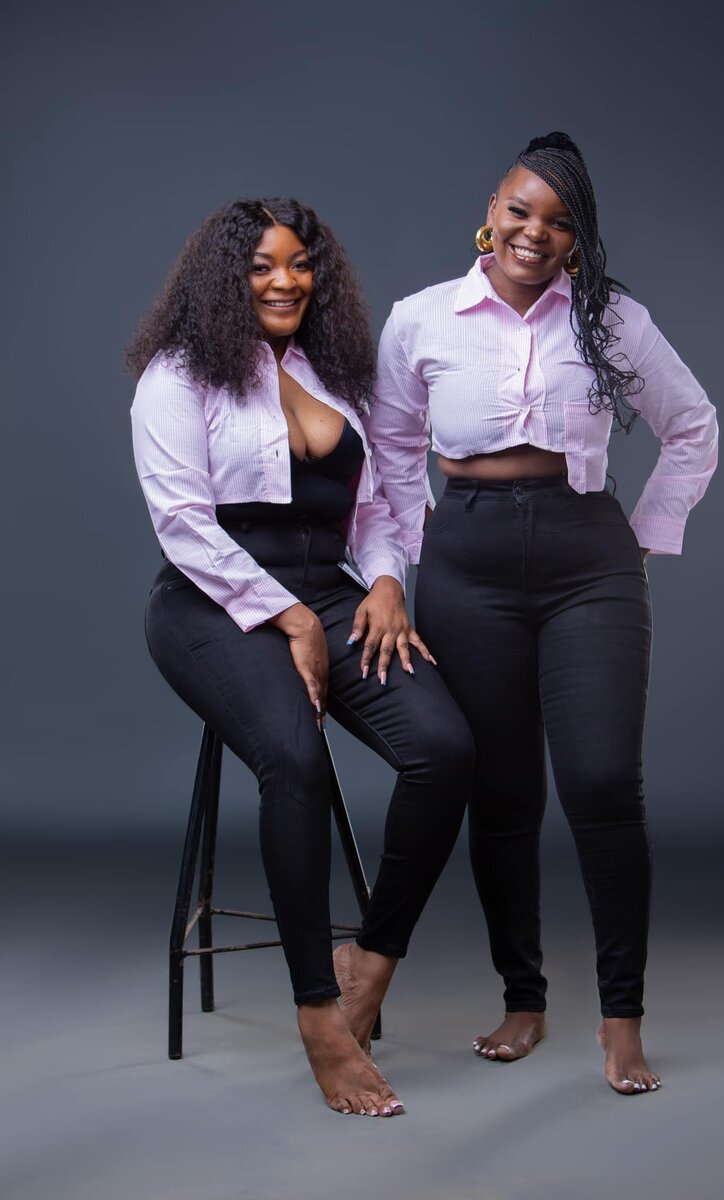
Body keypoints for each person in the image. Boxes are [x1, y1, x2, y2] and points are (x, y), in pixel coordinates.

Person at [359, 133, 718, 1095]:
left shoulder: (612, 319)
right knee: (504, 793)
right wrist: (403, 562)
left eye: (559, 222)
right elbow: (388, 455)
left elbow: (693, 425)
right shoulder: (423, 320)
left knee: (602, 781)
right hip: (465, 564)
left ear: (577, 237)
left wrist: (643, 536)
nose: (535, 232)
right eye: (521, 210)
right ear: (494, 208)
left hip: (586, 561)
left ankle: (622, 1018)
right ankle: (524, 999)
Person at [128, 198, 474, 1117]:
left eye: (300, 263)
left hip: (332, 590)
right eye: (261, 266)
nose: (285, 282)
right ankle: (319, 1015)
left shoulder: (338, 373)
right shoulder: (177, 375)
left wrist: (387, 582)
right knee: (295, 759)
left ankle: (374, 959)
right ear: (224, 278)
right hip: (212, 603)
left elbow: (379, 509)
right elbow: (182, 524)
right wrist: (290, 618)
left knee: (445, 751)